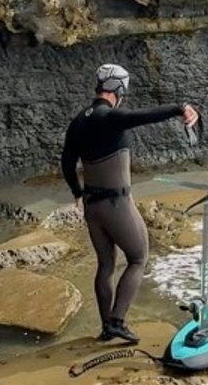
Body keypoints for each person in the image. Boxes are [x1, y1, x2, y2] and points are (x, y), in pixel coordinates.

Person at [59, 63, 198, 344]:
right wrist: (179, 107)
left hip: (91, 205)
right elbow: (143, 116)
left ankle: (105, 327)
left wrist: (76, 191)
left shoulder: (78, 120)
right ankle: (117, 322)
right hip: (116, 204)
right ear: (118, 90)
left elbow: (66, 162)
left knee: (106, 265)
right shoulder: (110, 117)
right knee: (138, 257)